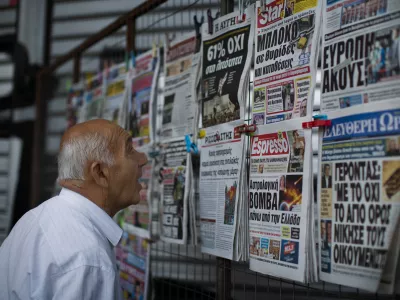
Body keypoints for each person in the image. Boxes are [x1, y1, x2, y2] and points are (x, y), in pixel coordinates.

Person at [0, 119, 148, 300]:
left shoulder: (36, 218)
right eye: (130, 151)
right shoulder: (87, 260)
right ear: (100, 173)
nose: (143, 159)